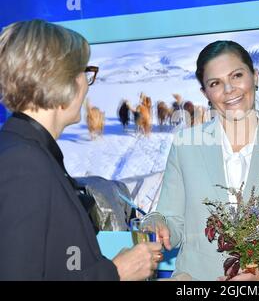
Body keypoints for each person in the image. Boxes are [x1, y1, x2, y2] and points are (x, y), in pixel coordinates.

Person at [0, 20, 163, 280]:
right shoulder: (24, 162)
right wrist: (116, 272)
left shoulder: (27, 149)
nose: (87, 85)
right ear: (59, 79)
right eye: (83, 72)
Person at [150, 40, 259, 280]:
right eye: (215, 83)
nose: (229, 89)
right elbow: (172, 221)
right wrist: (157, 223)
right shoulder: (185, 147)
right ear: (205, 93)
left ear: (255, 77)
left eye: (237, 75)